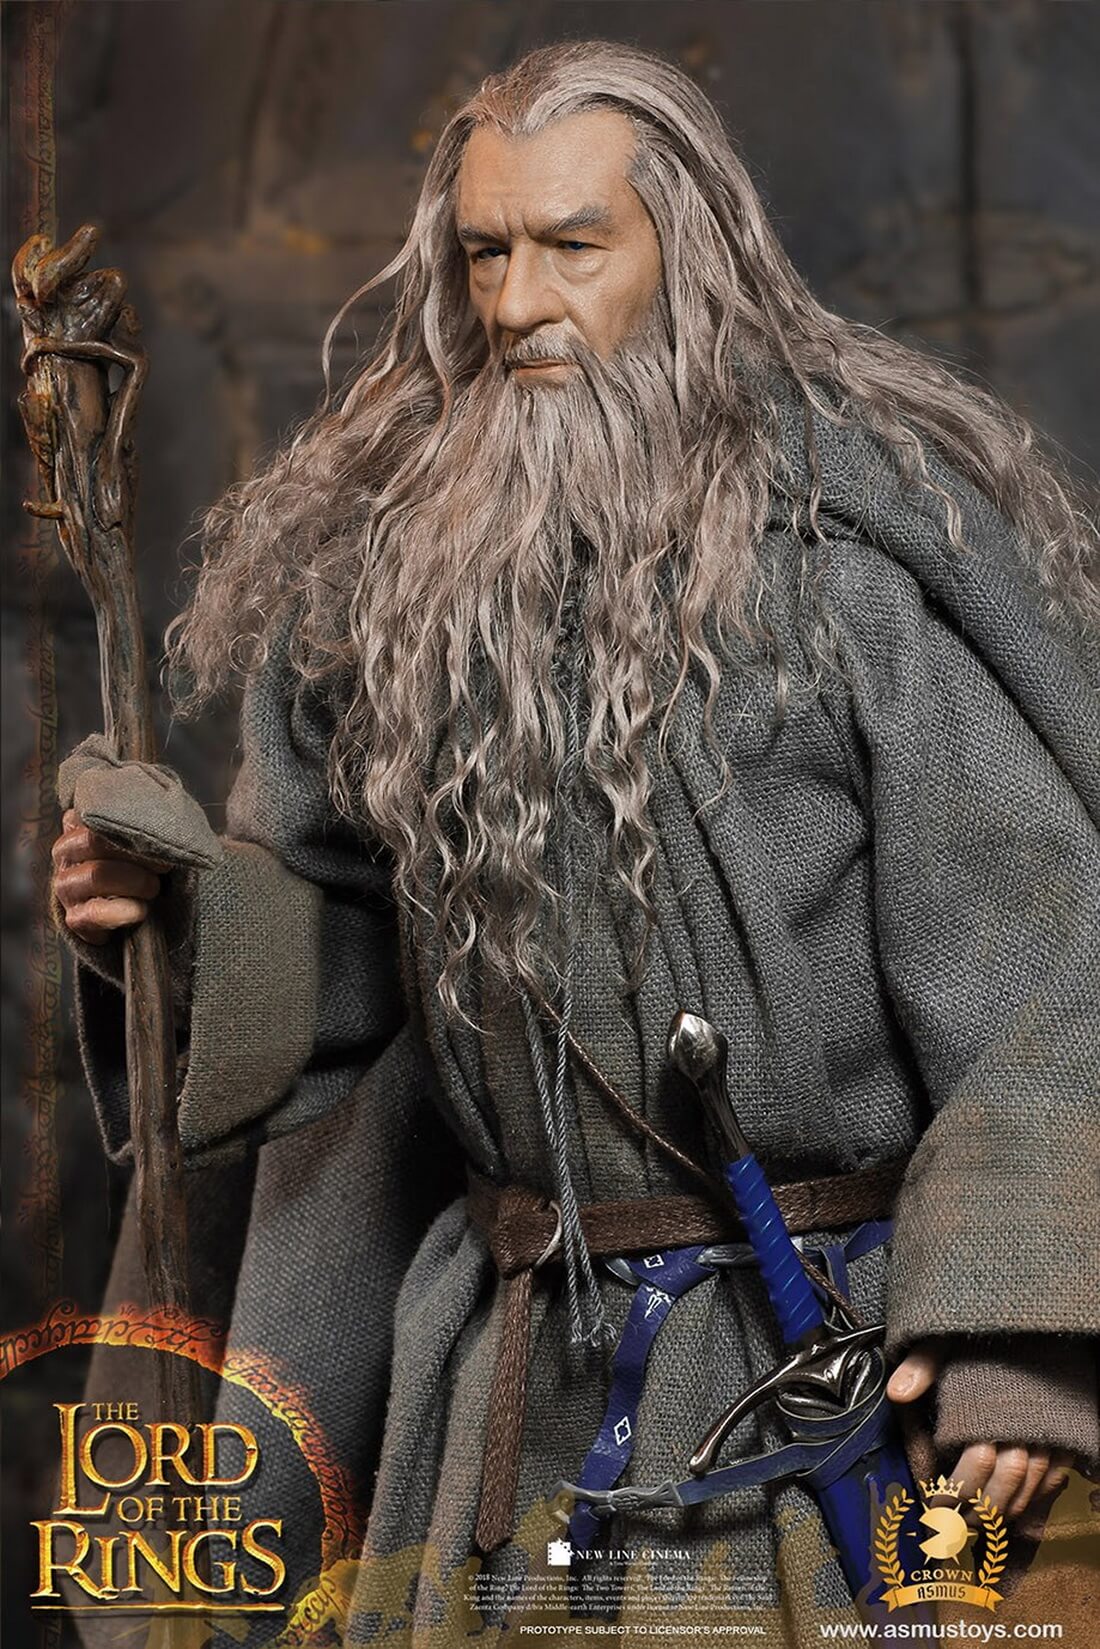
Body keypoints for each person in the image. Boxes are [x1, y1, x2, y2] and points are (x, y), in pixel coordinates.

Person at [50, 39, 1098, 1648]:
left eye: (570, 244)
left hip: (805, 1377)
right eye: (486, 252)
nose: (518, 301)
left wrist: (1014, 1344)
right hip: (500, 1396)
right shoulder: (391, 591)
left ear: (688, 253)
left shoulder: (855, 579)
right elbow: (344, 965)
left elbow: (1044, 978)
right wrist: (176, 931)